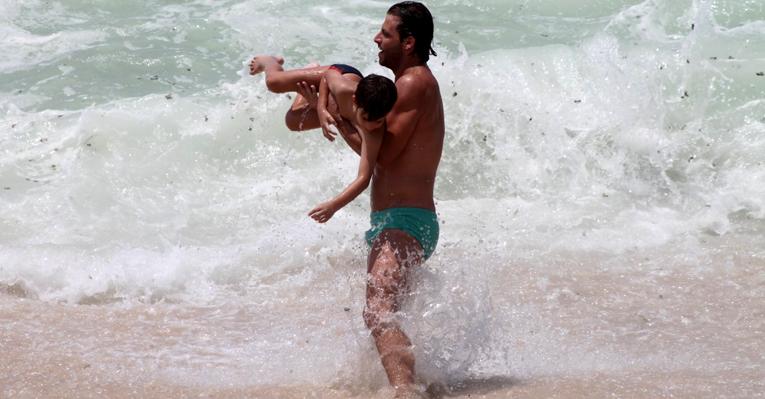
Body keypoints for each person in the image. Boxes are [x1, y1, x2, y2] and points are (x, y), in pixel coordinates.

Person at [333, 2, 445, 398]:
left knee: (378, 310)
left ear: (409, 42)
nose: (376, 39)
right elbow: (381, 148)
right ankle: (415, 383)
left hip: (406, 220)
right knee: (386, 311)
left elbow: (381, 156)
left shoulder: (413, 82)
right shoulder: (409, 82)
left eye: (386, 33)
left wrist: (343, 123)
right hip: (397, 219)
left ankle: (405, 391)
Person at [249, 57, 398, 222]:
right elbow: (328, 75)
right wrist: (320, 107)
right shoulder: (343, 88)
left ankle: (306, 90)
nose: (371, 126)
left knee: (292, 121)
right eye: (366, 119)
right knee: (273, 83)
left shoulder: (375, 132)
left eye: (378, 121)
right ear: (355, 101)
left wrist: (333, 205)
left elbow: (363, 178)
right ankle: (270, 61)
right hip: (340, 72)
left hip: (339, 104)